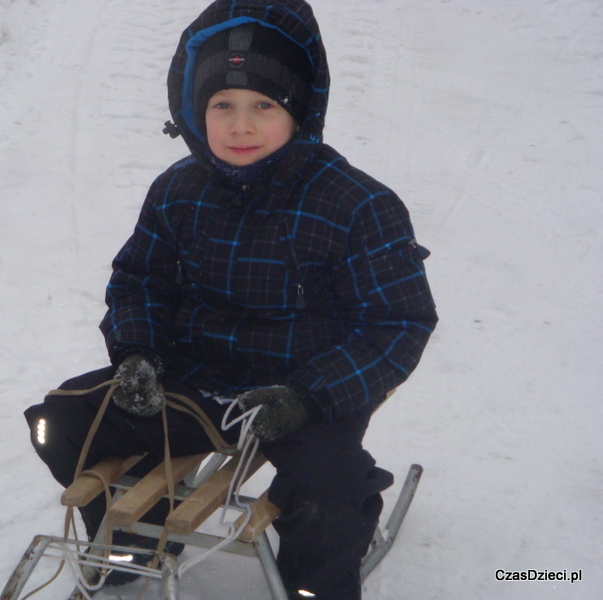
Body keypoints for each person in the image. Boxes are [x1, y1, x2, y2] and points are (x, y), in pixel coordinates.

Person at [25, 1, 438, 598]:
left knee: (332, 489)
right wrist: (137, 351)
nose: (240, 126)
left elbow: (397, 324)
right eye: (223, 106)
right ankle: (128, 543)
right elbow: (140, 280)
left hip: (298, 396)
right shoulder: (177, 190)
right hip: (194, 384)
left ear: (298, 110)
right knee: (59, 421)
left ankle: (313, 585)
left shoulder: (357, 204)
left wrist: (309, 395)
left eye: (263, 106)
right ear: (196, 111)